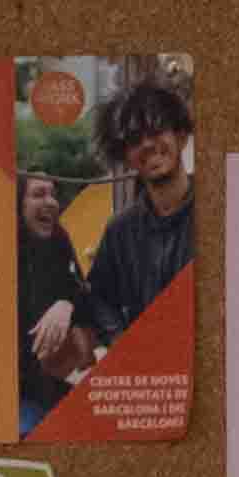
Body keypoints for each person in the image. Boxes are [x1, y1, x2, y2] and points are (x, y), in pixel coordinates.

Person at [22, 77, 197, 423]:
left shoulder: (220, 210)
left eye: (156, 129)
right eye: (134, 139)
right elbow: (98, 298)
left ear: (181, 135)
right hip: (155, 390)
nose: (147, 144)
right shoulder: (120, 230)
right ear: (126, 157)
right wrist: (120, 339)